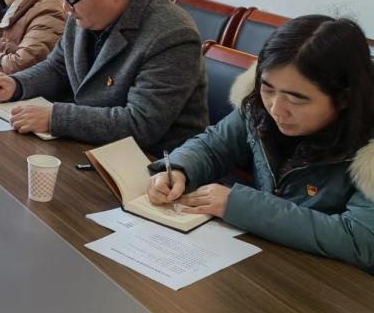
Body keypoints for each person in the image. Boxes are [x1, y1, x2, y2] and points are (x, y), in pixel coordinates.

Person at [147, 16, 374, 272]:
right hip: (264, 258)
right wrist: (179, 170)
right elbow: (213, 146)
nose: (276, 109)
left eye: (296, 99)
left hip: (333, 282)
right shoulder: (256, 106)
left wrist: (241, 206)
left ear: (344, 98)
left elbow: (360, 239)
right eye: (268, 89)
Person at [0, 0, 208, 153]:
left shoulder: (171, 34)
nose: (66, 8)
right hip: (92, 144)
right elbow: (58, 67)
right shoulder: (83, 10)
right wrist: (17, 85)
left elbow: (141, 124)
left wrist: (56, 118)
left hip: (155, 162)